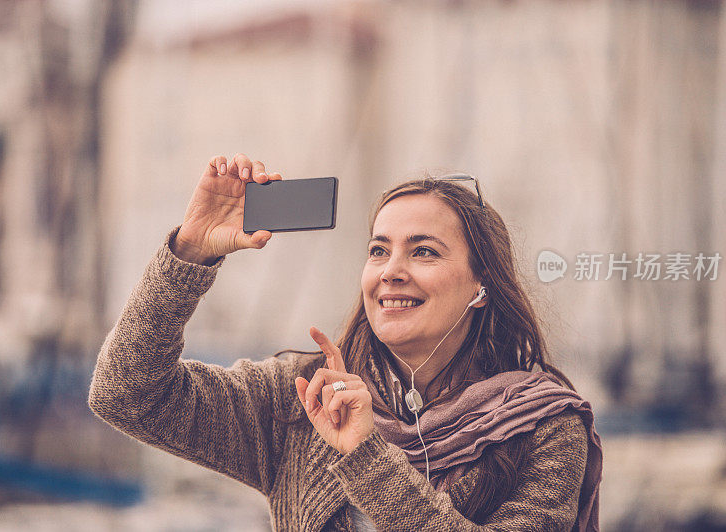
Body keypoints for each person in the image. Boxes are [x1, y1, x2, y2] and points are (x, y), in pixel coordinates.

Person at [88, 153, 603, 531]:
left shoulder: (545, 426)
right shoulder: (302, 397)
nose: (392, 272)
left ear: (482, 286)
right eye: (379, 251)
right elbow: (125, 393)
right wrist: (191, 252)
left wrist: (365, 454)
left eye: (423, 252)